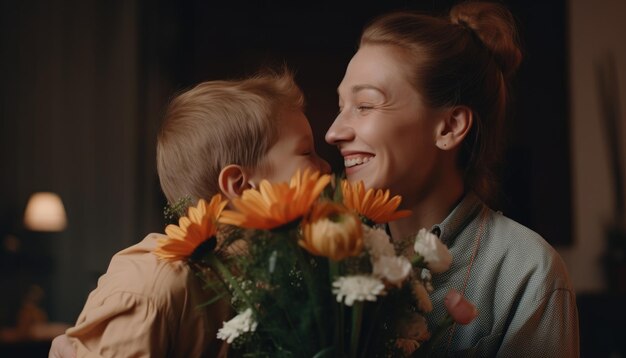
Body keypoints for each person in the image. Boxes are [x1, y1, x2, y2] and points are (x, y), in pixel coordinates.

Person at [325, 2, 579, 356]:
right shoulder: (326, 255)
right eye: (340, 107)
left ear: (449, 127)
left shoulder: (526, 272)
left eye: (365, 105)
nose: (333, 132)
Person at [49, 70, 330, 358]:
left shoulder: (289, 281)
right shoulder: (155, 283)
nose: (326, 168)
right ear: (240, 185)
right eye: (307, 152)